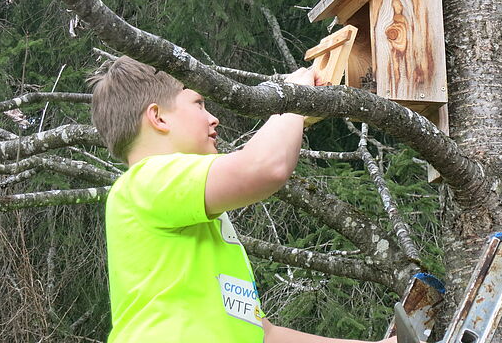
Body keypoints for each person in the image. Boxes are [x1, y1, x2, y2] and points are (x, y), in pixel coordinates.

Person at [88, 56, 395, 343]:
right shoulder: (146, 181)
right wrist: (292, 99)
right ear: (158, 118)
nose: (214, 119)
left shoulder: (183, 206)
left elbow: (265, 336)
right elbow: (263, 167)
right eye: (199, 104)